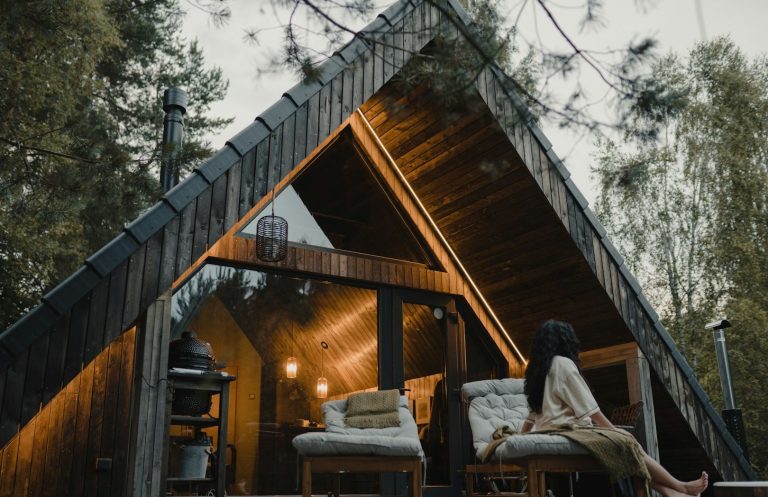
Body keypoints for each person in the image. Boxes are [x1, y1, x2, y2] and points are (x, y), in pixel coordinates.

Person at [521, 319, 709, 497]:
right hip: (570, 431)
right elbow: (589, 408)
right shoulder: (563, 364)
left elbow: (532, 413)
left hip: (548, 432)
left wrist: (521, 438)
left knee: (625, 452)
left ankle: (671, 492)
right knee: (628, 444)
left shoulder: (537, 371)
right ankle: (680, 486)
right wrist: (614, 430)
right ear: (565, 341)